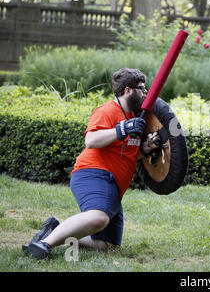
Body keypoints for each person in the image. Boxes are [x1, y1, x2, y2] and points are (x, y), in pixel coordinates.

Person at [23, 68, 161, 259]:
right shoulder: (107, 110)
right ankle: (43, 245)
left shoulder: (135, 119)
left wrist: (145, 148)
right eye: (141, 88)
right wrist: (121, 129)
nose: (145, 93)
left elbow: (126, 154)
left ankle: (56, 229)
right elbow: (91, 140)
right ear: (128, 90)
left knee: (108, 245)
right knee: (99, 218)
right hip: (93, 174)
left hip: (113, 185)